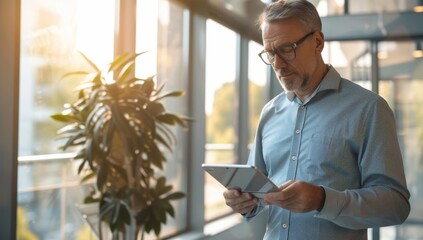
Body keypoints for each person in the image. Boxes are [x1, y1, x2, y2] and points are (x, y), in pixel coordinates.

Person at [222, 0, 411, 239]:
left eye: (287, 49)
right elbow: (257, 195)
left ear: (318, 42)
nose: (278, 64)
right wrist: (244, 202)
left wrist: (322, 199)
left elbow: (395, 205)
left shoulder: (369, 109)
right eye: (270, 53)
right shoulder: (269, 112)